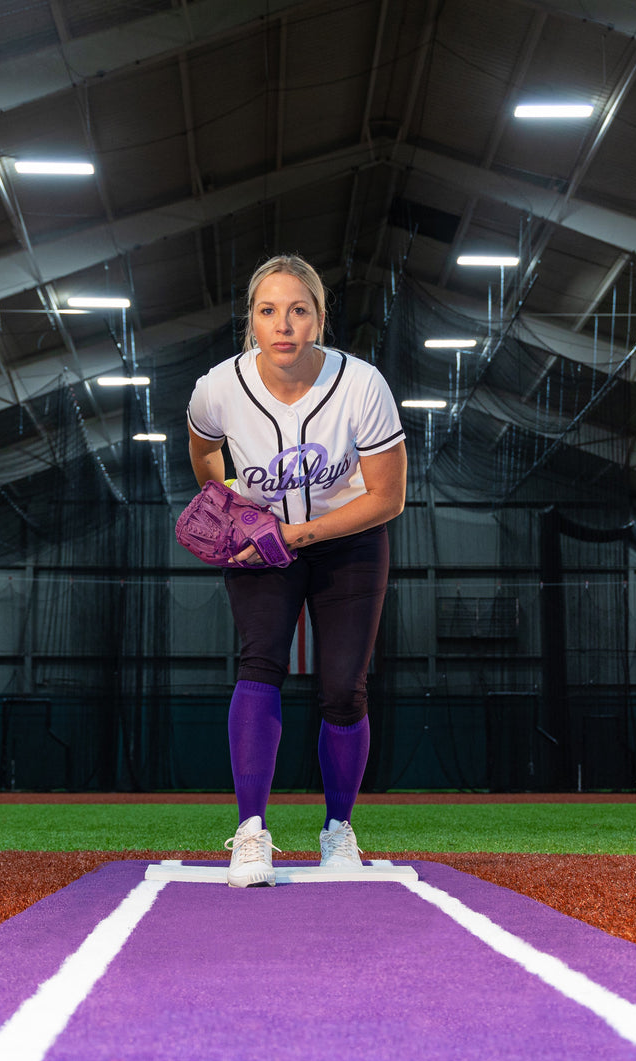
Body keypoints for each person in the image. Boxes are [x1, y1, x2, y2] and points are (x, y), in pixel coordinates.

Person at [186, 254, 407, 887]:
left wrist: (296, 533)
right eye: (267, 311)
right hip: (260, 544)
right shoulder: (219, 386)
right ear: (250, 321)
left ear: (318, 318)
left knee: (344, 687)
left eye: (298, 309)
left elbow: (386, 499)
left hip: (349, 541)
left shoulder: (362, 385)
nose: (283, 324)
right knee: (260, 664)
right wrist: (226, 504)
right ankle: (251, 835)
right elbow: (203, 444)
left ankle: (338, 832)